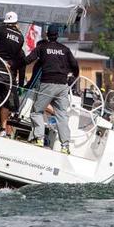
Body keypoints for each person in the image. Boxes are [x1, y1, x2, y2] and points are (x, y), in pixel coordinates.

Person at [24, 25, 79, 154]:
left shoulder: (42, 47)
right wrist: (74, 75)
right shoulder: (65, 49)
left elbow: (29, 60)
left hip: (48, 83)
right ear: (57, 35)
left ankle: (39, 138)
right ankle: (65, 146)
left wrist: (15, 63)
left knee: (37, 111)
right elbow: (75, 65)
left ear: (47, 34)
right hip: (62, 86)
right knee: (62, 116)